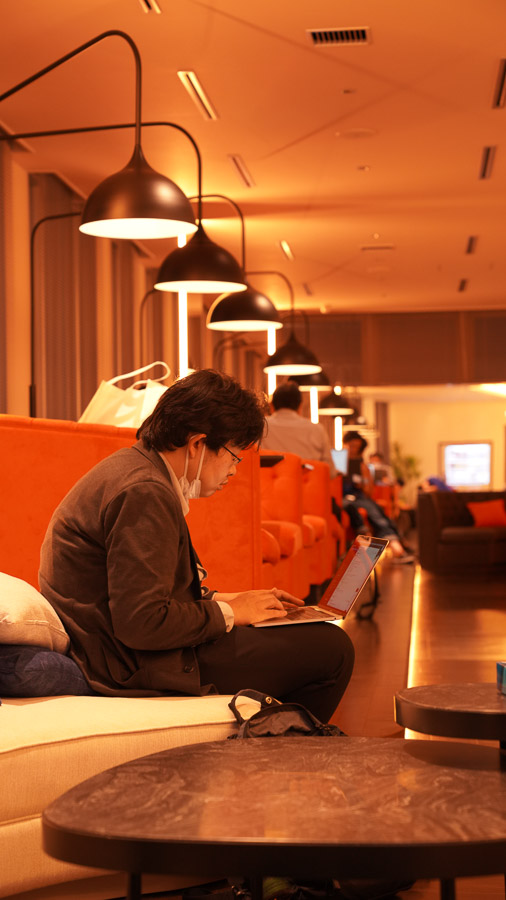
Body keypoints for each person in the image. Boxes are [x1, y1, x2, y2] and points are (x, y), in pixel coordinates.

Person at [39, 370, 354, 724]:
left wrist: (236, 601)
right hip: (128, 664)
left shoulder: (137, 472)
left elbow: (146, 596)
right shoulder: (144, 492)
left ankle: (278, 739)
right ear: (197, 444)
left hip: (122, 651)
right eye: (234, 456)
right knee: (333, 649)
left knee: (308, 636)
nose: (234, 471)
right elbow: (142, 622)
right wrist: (231, 613)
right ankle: (284, 745)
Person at [339, 432, 415, 563]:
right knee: (371, 513)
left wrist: (363, 481)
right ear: (345, 445)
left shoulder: (363, 467)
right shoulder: (337, 463)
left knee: (378, 512)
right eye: (351, 446)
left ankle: (398, 544)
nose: (353, 449)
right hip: (345, 499)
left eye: (357, 447)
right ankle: (396, 548)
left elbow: (369, 492)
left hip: (360, 498)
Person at [261, 380, 337, 477]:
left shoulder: (261, 426)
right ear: (300, 406)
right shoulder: (317, 430)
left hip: (268, 485)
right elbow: (331, 473)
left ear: (271, 405)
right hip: (307, 485)